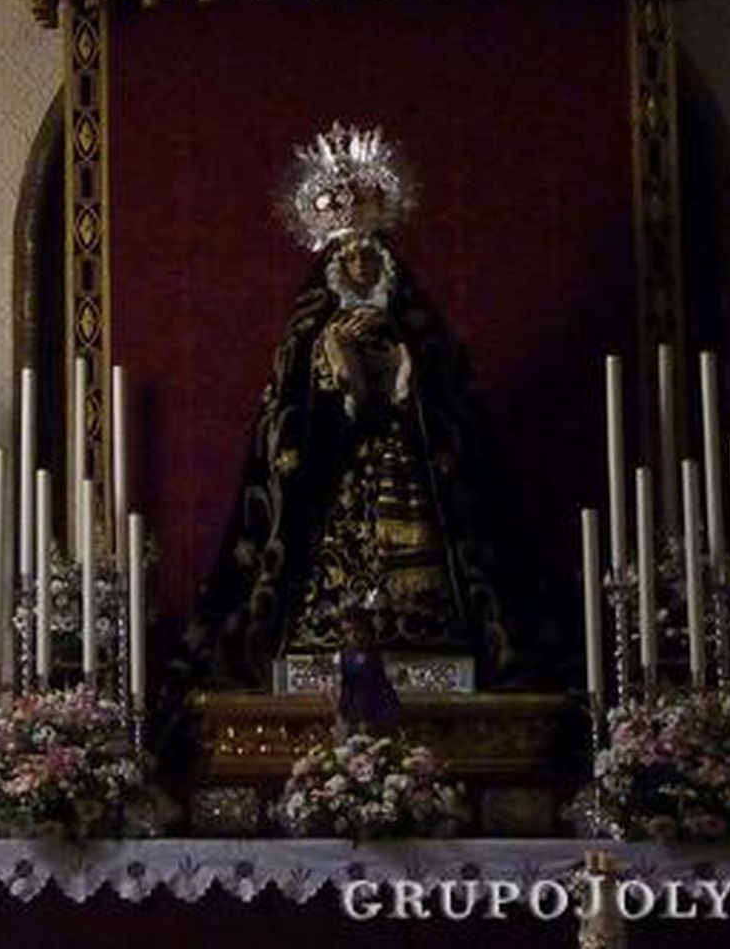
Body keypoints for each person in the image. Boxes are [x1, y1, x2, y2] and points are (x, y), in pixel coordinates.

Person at [180, 124, 515, 688]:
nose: (361, 267)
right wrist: (337, 357)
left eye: (370, 260)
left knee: (416, 556)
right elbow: (292, 415)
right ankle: (330, 629)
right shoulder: (311, 330)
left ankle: (422, 631)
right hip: (336, 473)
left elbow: (447, 399)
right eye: (351, 261)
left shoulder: (415, 328)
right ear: (335, 269)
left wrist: (405, 366)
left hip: (404, 467)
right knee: (332, 558)